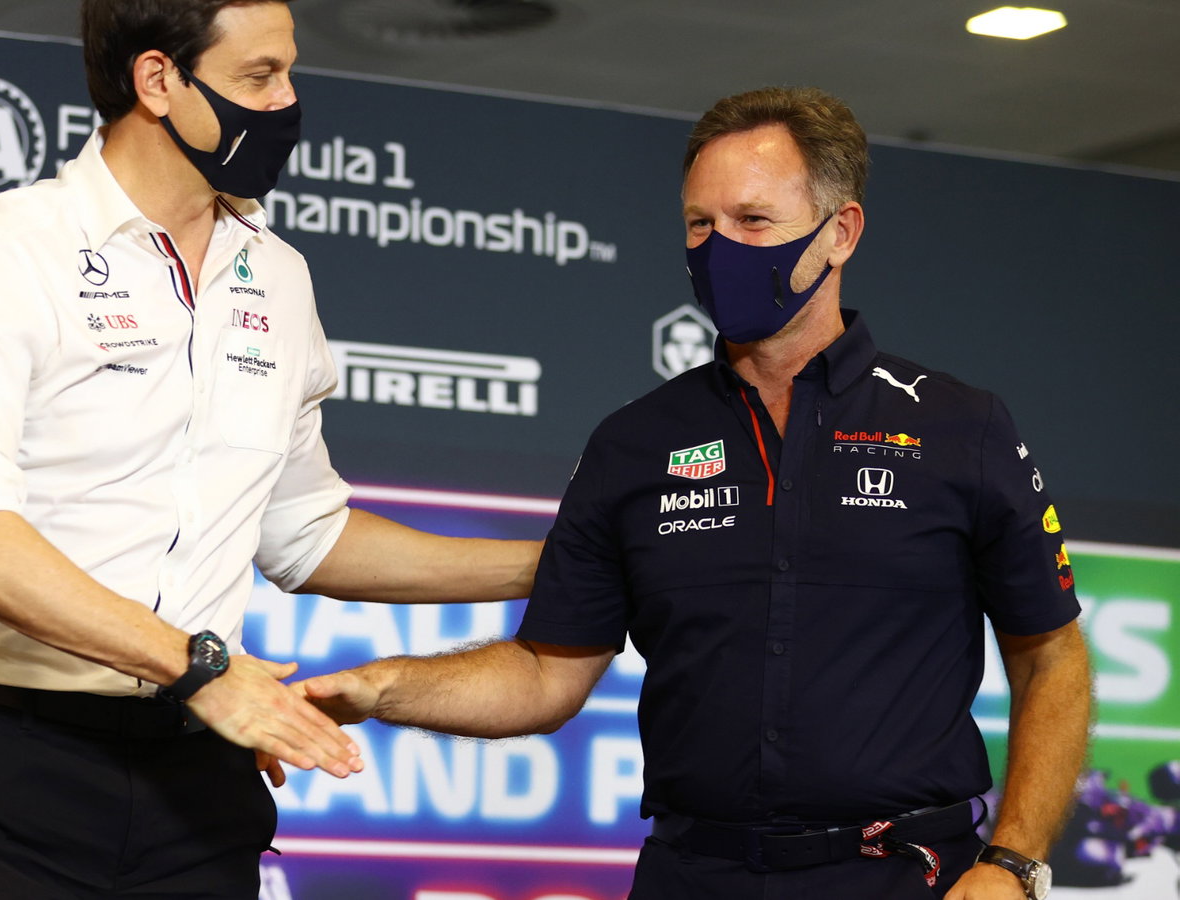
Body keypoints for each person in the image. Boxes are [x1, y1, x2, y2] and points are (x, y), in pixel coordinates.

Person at [301, 86, 1091, 900]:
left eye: (754, 222)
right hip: (694, 874)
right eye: (700, 224)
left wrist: (1013, 862)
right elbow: (543, 677)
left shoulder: (962, 427)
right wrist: (382, 686)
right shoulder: (634, 442)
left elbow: (1052, 658)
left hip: (906, 875)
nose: (722, 249)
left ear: (840, 232)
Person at [0, 1, 540, 896]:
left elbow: (304, 535)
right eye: (258, 77)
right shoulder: (11, 249)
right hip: (9, 760)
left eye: (288, 72)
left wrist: (547, 567)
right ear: (159, 81)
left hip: (199, 777)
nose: (288, 100)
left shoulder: (277, 272)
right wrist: (197, 667)